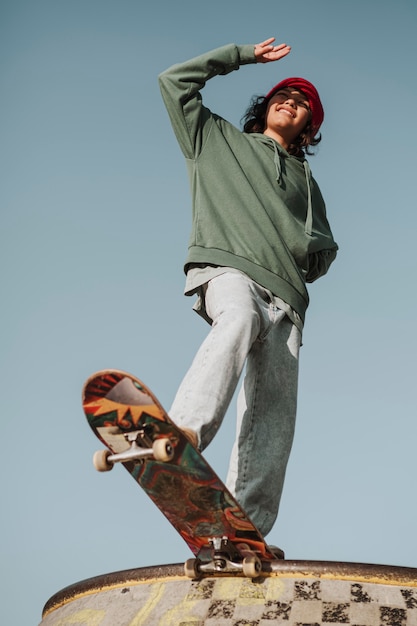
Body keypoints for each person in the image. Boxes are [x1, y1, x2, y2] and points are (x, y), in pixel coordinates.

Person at [158, 37, 338, 542]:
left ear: (309, 128)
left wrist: (303, 255)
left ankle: (243, 532)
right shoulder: (213, 139)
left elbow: (322, 249)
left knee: (274, 416)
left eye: (303, 104)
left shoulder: (305, 180)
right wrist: (239, 56)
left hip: (288, 299)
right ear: (265, 107)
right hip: (229, 271)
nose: (291, 102)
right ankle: (184, 433)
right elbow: (173, 82)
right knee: (238, 318)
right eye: (283, 95)